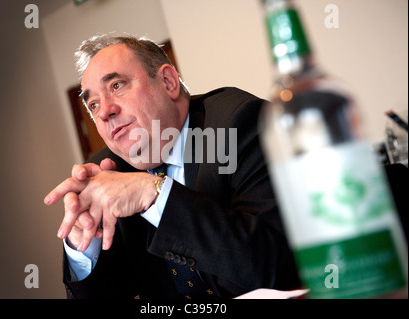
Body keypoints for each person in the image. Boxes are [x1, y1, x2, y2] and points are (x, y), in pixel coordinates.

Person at [44, 34, 301, 299]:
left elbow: (276, 267)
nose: (104, 111)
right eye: (93, 105)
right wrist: (84, 245)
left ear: (168, 82)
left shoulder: (236, 126)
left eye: (117, 85)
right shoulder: (106, 172)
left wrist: (154, 193)